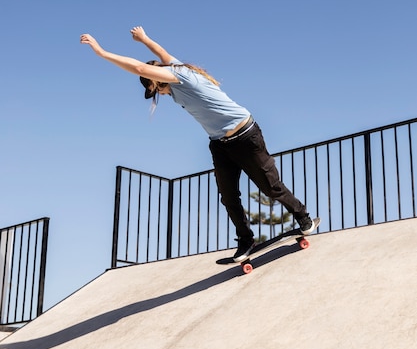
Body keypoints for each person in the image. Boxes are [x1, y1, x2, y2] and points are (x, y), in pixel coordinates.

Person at [80, 25, 316, 262]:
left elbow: (141, 67)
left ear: (158, 80)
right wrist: (144, 39)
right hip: (220, 144)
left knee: (269, 187)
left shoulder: (180, 75)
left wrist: (102, 52)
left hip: (246, 136)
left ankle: (303, 217)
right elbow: (161, 52)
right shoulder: (173, 72)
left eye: (156, 90)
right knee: (228, 196)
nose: (160, 95)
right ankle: (245, 240)